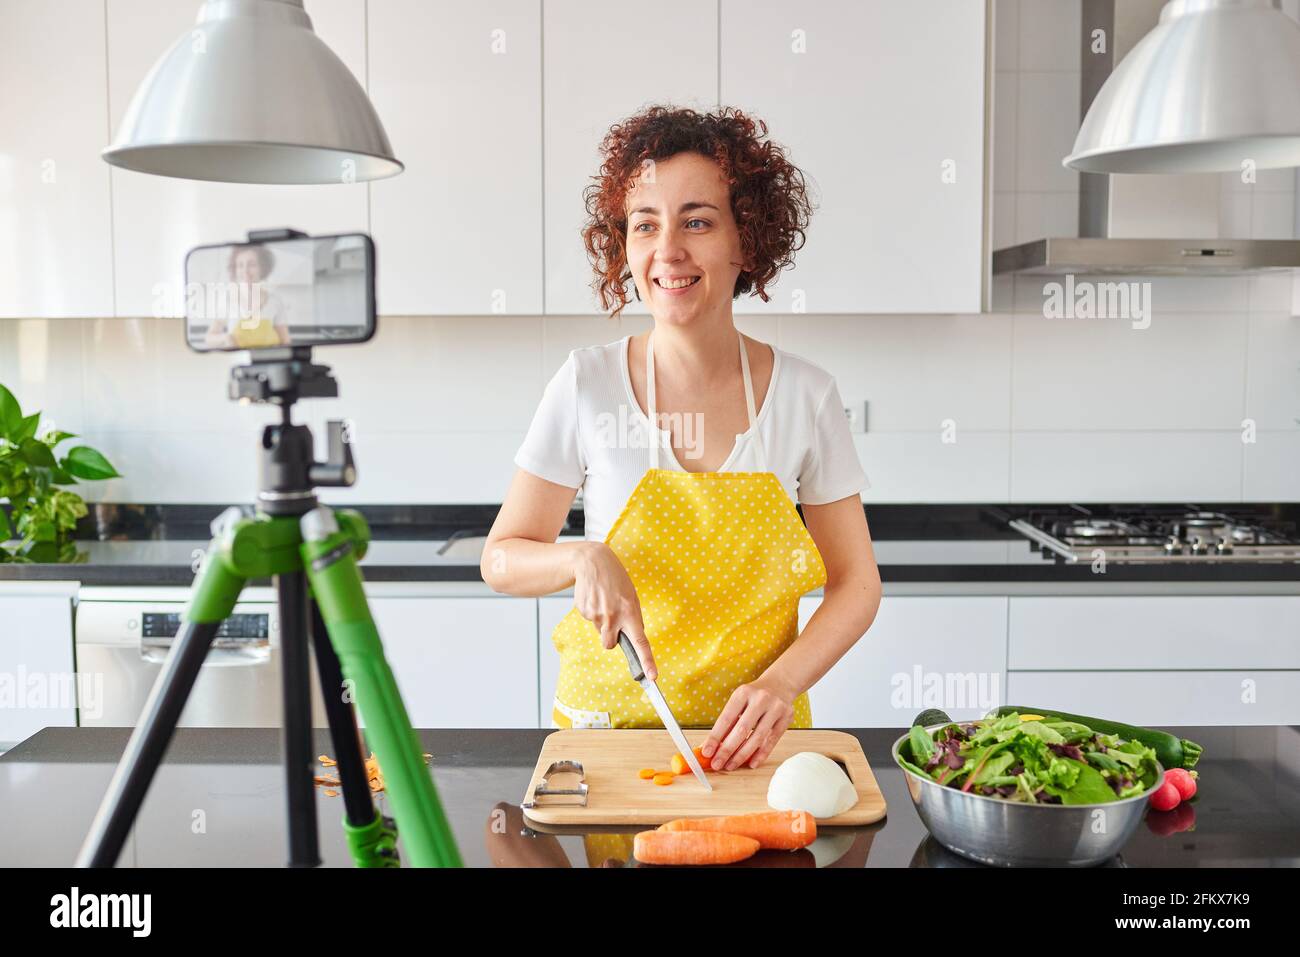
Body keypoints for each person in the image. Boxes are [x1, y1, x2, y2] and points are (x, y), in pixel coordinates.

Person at [482, 106, 882, 865]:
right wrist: (580, 557)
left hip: (758, 757)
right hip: (602, 752)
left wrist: (781, 685)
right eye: (643, 224)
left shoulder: (806, 396)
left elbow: (857, 581)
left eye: (697, 222)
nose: (667, 250)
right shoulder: (586, 384)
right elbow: (500, 557)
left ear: (745, 240)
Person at [202, 245, 290, 349]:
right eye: (240, 265)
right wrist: (226, 338)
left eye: (252, 265)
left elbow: (285, 341)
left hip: (270, 360)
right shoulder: (228, 300)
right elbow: (209, 338)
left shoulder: (274, 301)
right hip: (239, 360)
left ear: (262, 268)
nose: (245, 271)